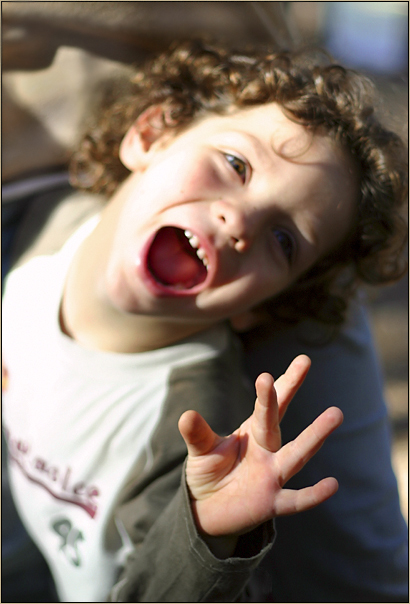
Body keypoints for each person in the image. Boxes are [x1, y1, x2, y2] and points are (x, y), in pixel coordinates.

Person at [2, 40, 407, 603]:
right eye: (235, 164)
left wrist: (206, 535)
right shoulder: (48, 229)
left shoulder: (196, 427)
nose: (240, 219)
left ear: (258, 308)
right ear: (151, 134)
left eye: (284, 240)